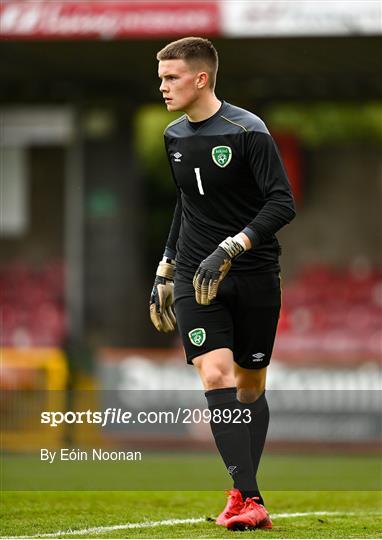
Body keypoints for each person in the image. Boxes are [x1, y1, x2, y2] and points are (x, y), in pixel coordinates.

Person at [150, 36, 296, 531]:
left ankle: (240, 492)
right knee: (216, 376)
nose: (163, 87)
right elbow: (185, 206)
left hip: (252, 274)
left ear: (201, 78)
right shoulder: (172, 136)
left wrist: (233, 248)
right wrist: (167, 267)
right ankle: (251, 498)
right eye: (161, 77)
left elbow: (282, 204)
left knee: (250, 387)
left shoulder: (247, 130)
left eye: (171, 77)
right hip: (197, 273)